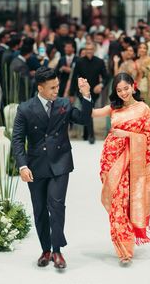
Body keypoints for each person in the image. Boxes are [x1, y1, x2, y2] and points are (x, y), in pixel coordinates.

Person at [12, 67, 92, 269]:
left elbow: (83, 119)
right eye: (52, 88)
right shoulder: (25, 108)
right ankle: (45, 249)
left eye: (57, 86)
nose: (57, 90)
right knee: (39, 210)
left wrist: (86, 96)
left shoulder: (64, 103)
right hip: (36, 166)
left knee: (56, 207)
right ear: (40, 88)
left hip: (60, 163)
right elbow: (18, 140)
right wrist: (22, 165)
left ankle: (57, 251)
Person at [92, 72, 150, 266]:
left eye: (126, 88)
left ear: (133, 87)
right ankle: (123, 248)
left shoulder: (143, 109)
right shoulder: (113, 108)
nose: (122, 93)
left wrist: (127, 134)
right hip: (111, 160)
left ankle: (125, 249)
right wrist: (85, 94)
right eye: (119, 90)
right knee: (116, 204)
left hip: (132, 163)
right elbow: (93, 113)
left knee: (125, 203)